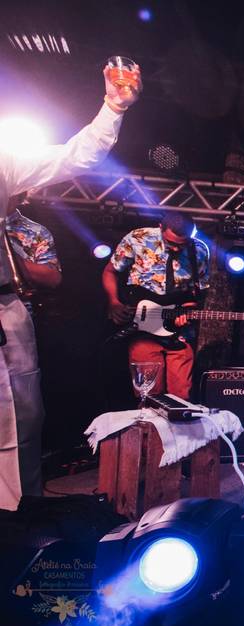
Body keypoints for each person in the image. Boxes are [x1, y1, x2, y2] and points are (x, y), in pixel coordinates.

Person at [0, 63, 141, 510]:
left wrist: (113, 106)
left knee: (20, 419)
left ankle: (19, 518)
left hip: (4, 308)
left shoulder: (5, 159)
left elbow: (77, 155)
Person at [102, 211, 210, 399]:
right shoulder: (138, 238)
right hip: (143, 329)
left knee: (181, 395)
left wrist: (189, 310)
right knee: (149, 395)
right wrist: (113, 302)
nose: (177, 249)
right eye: (172, 243)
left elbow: (198, 292)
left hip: (179, 333)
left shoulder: (199, 250)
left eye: (182, 244)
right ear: (161, 228)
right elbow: (110, 271)